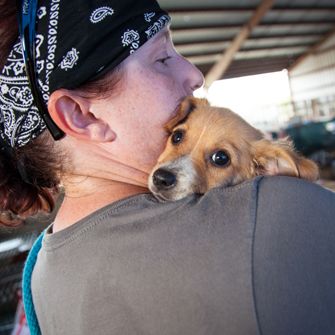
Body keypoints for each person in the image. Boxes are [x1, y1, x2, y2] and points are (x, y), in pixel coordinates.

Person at [1, 1, 335, 334]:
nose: (195, 74)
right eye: (162, 58)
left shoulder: (44, 274)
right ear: (81, 115)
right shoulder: (280, 214)